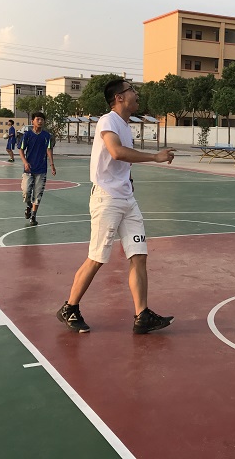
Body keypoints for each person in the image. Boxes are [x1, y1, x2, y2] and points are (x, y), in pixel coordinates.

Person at [57, 78, 176, 335]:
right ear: (119, 97)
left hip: (127, 199)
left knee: (139, 255)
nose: (136, 93)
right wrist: (155, 157)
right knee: (97, 258)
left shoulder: (125, 125)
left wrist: (128, 182)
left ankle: (142, 315)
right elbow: (116, 152)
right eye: (131, 90)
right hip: (107, 199)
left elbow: (121, 164)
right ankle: (69, 307)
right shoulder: (108, 120)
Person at [19, 112, 56, 226]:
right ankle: (29, 206)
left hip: (41, 169)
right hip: (29, 169)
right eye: (38, 119)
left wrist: (52, 165)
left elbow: (49, 150)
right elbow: (21, 149)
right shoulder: (27, 135)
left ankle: (33, 216)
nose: (40, 121)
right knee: (26, 192)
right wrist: (25, 162)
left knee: (38, 193)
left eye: (42, 120)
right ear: (33, 121)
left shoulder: (46, 136)